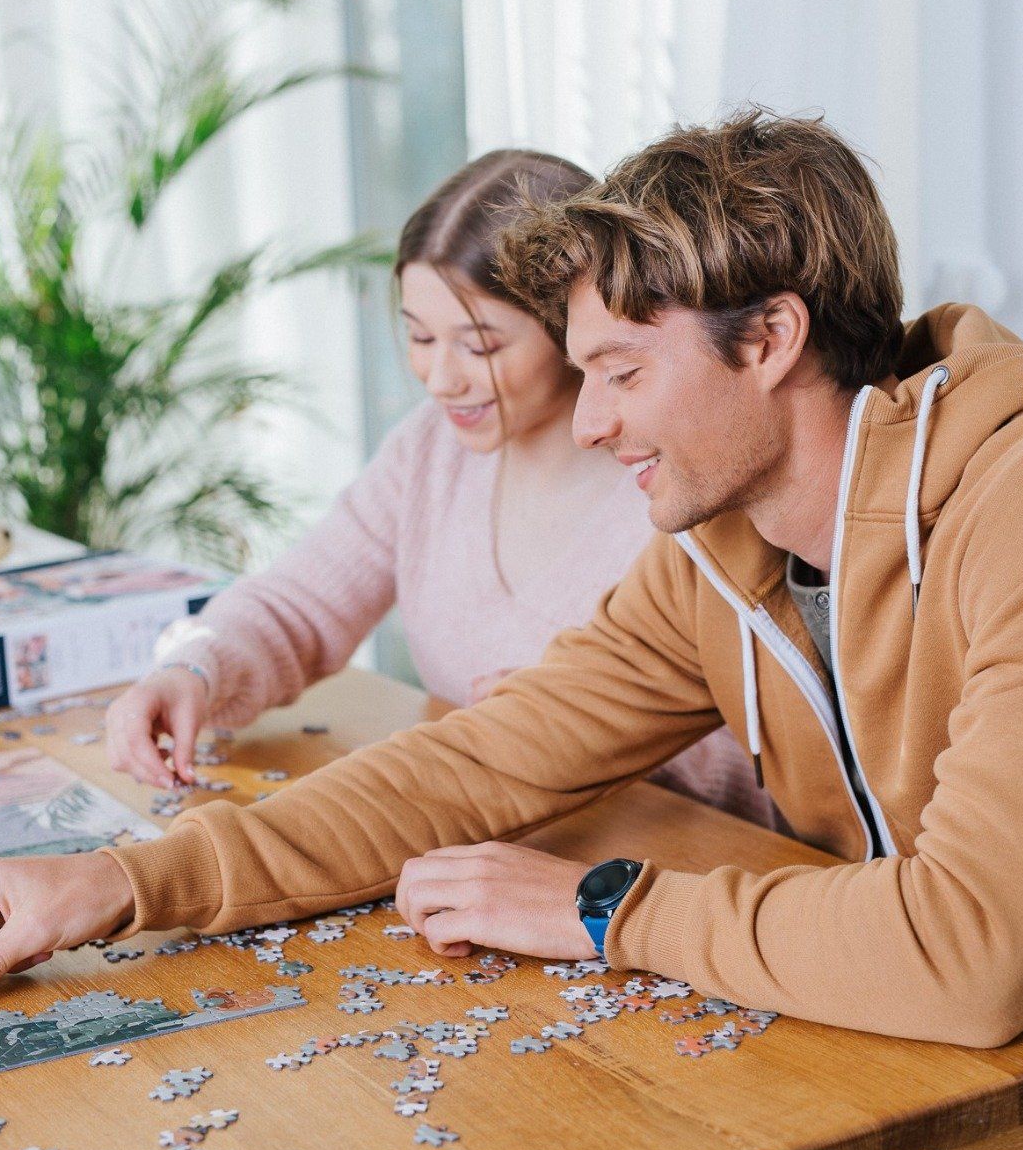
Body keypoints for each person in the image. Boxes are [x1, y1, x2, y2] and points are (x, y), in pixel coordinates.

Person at [0, 108, 1023, 1049]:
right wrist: (121, 885)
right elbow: (470, 768)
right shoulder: (716, 557)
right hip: (902, 1042)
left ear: (768, 340)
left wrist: (600, 905)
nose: (595, 422)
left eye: (621, 372)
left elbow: (974, 957)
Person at [103, 148, 768, 825]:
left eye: (480, 347)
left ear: (572, 330)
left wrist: (591, 724)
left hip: (658, 860)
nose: (440, 378)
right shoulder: (432, 448)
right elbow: (298, 604)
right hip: (488, 834)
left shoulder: (682, 482)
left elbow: (765, 753)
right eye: (419, 336)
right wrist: (193, 670)